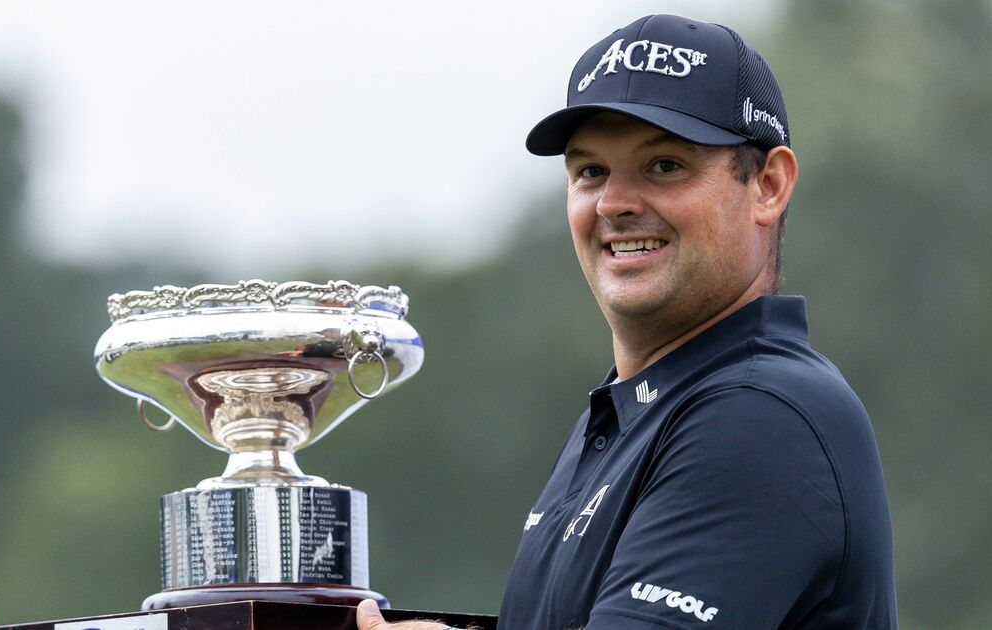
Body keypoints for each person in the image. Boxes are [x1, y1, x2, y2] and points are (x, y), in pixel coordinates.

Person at [357, 13, 897, 630]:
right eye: (590, 171)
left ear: (767, 185)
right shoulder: (637, 412)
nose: (614, 203)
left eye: (665, 165)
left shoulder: (759, 414)